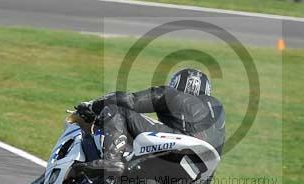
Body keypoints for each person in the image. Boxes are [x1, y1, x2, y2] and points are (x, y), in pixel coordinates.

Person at [75, 68, 225, 173]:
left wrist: (92, 107)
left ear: (176, 84)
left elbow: (128, 100)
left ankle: (111, 160)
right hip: (203, 175)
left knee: (116, 108)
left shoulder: (171, 94)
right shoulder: (218, 109)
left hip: (181, 142)